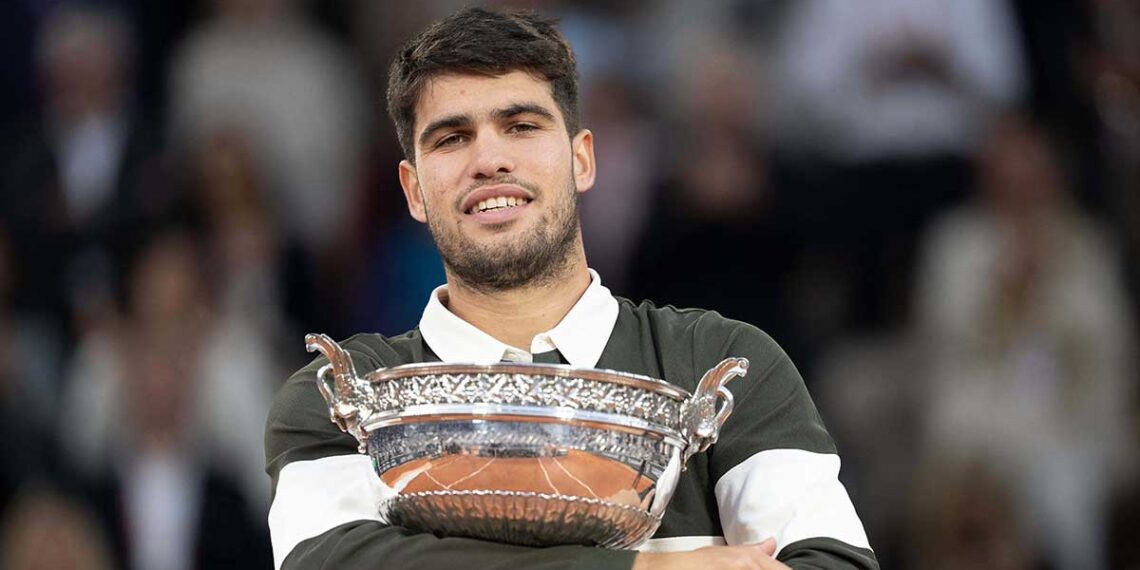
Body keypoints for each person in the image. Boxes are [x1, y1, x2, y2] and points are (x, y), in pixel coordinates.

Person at [265, 8, 877, 570]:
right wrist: (648, 568)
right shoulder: (344, 396)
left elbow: (830, 563)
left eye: (521, 125)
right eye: (452, 138)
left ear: (583, 158)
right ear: (414, 190)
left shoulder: (724, 370)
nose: (489, 159)